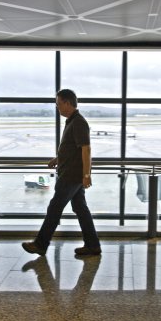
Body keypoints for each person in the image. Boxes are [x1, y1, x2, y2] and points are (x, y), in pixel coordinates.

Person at [22, 89, 101, 256]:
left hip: (72, 176)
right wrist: (57, 159)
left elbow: (86, 150)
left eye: (58, 104)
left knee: (54, 208)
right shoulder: (72, 121)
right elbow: (72, 149)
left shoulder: (78, 122)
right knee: (81, 209)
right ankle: (93, 245)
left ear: (67, 103)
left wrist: (87, 175)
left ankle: (40, 244)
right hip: (71, 174)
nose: (57, 108)